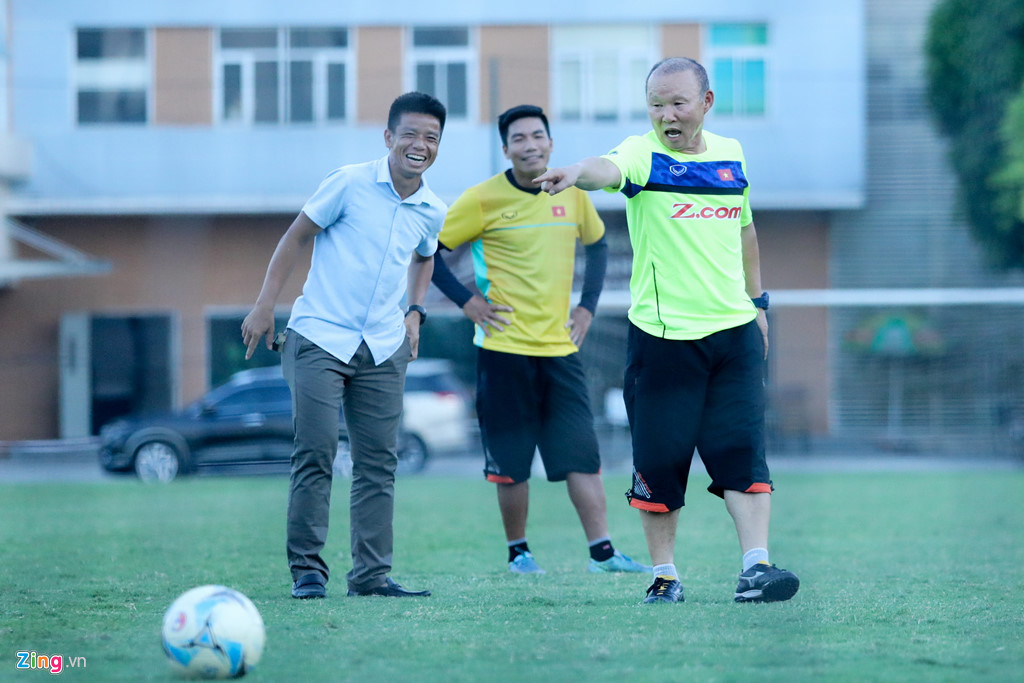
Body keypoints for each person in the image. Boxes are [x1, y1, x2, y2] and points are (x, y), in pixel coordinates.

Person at [534, 58, 800, 604]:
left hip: (735, 335)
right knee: (660, 461)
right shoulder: (642, 153)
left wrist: (758, 305)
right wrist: (573, 174)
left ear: (706, 103)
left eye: (678, 103)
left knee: (744, 452)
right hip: (664, 339)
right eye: (656, 104)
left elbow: (746, 231)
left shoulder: (732, 155)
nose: (666, 115)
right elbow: (606, 167)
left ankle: (756, 568)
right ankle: (665, 575)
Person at [240, 92, 447, 600]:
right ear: (389, 138)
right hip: (319, 336)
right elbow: (295, 237)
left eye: (431, 138)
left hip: (382, 346)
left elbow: (426, 258)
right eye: (411, 135)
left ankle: (371, 577)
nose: (419, 146)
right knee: (316, 452)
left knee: (379, 462)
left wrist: (414, 312)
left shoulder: (431, 209)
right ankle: (307, 570)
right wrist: (265, 304)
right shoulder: (350, 183)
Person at [431, 104, 649, 576]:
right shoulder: (482, 199)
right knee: (511, 463)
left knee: (582, 455)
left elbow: (597, 245)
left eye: (538, 136)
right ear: (506, 149)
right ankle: (519, 554)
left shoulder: (570, 193)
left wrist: (586, 307)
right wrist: (469, 303)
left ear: (550, 142)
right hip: (502, 351)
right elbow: (431, 254)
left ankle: (603, 555)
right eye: (520, 139)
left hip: (560, 351)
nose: (530, 145)